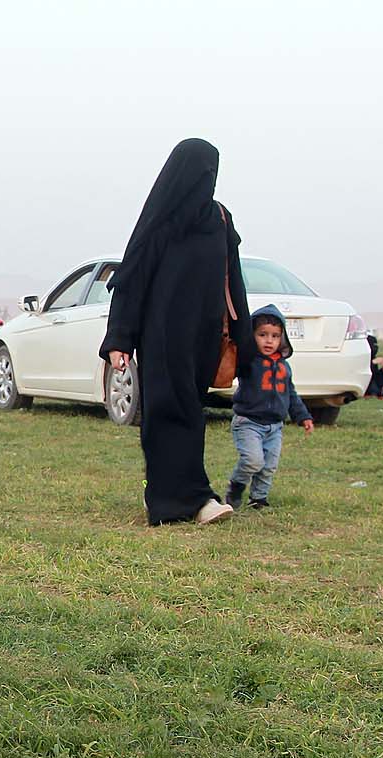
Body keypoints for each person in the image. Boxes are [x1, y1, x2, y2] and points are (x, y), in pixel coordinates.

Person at [100, 138, 245, 526]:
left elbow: (235, 282)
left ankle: (172, 496)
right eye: (202, 172)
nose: (208, 180)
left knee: (190, 412)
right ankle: (192, 499)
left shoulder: (219, 220)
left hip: (203, 338)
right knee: (168, 412)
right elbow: (131, 279)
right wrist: (119, 339)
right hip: (161, 335)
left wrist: (244, 340)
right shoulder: (160, 222)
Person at [223, 305, 313, 510]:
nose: (269, 340)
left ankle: (259, 499)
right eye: (262, 334)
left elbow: (290, 393)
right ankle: (236, 486)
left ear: (283, 338)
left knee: (269, 466)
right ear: (252, 335)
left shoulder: (283, 366)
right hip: (248, 422)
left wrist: (303, 416)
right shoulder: (248, 362)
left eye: (275, 335)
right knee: (253, 460)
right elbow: (230, 362)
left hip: (275, 426)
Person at [365, 334, 383, 398]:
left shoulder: (373, 357)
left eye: (376, 345)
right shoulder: (361, 357)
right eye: (373, 345)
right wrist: (373, 363)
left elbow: (375, 375)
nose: (375, 348)